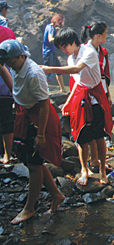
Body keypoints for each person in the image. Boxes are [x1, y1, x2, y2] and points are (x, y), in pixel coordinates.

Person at [0, 39, 64, 224]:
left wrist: (41, 135)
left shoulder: (34, 73)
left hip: (39, 120)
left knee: (35, 164)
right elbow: (16, 89)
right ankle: (56, 195)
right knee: (32, 162)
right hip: (26, 115)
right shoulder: (16, 66)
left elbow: (45, 106)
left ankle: (29, 209)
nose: (8, 64)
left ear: (21, 56)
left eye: (10, 60)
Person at [41, 27, 113, 185]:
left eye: (65, 46)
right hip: (81, 96)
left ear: (73, 42)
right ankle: (84, 170)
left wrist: (50, 69)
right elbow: (78, 81)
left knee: (99, 136)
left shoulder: (88, 52)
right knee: (81, 136)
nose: (64, 50)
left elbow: (77, 69)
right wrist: (68, 100)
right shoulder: (70, 58)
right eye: (61, 48)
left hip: (95, 98)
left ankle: (102, 172)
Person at [80, 22, 112, 174]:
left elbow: (104, 74)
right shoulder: (86, 51)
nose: (107, 36)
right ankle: (92, 161)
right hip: (89, 94)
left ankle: (98, 162)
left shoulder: (102, 51)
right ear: (98, 36)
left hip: (101, 93)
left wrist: (108, 94)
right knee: (90, 127)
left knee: (99, 129)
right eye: (105, 34)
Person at [0, 26, 16, 164]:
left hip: (4, 89)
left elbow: (3, 67)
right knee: (6, 121)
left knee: (6, 121)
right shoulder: (7, 31)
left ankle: (7, 154)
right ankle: (7, 154)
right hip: (5, 89)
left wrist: (14, 92)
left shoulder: (6, 32)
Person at [42, 14, 67, 93]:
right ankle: (43, 90)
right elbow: (50, 39)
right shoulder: (51, 28)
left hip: (51, 51)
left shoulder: (50, 27)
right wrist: (59, 38)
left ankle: (62, 88)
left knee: (58, 69)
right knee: (48, 72)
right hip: (48, 52)